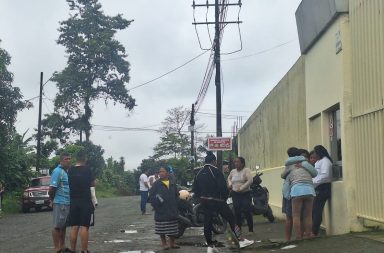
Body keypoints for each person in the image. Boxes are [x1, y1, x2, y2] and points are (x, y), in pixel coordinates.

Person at [192, 151, 254, 253]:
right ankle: (241, 240)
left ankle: (210, 244)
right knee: (231, 218)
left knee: (207, 221)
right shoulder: (215, 171)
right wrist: (224, 198)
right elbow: (223, 187)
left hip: (204, 201)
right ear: (213, 161)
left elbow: (195, 189)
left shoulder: (199, 173)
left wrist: (202, 198)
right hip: (217, 201)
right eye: (215, 161)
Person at [282, 149, 317, 240]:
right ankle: (308, 234)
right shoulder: (306, 163)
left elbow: (282, 175)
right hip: (309, 190)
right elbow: (315, 173)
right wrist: (304, 166)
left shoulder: (289, 165)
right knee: (308, 215)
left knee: (296, 215)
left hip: (296, 190)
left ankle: (298, 236)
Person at [68, 151, 95, 253]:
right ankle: (84, 250)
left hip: (73, 201)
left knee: (74, 226)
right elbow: (92, 184)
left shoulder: (70, 170)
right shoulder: (88, 170)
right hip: (85, 201)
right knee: (84, 226)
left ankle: (73, 250)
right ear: (85, 159)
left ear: (76, 159)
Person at [149, 166, 180, 250]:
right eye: (160, 172)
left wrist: (176, 204)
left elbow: (177, 195)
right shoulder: (156, 184)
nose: (160, 173)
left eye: (162, 171)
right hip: (161, 209)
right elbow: (151, 196)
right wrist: (156, 203)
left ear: (167, 173)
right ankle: (164, 244)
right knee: (162, 227)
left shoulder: (172, 183)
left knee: (173, 226)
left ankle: (172, 243)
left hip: (172, 208)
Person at [49, 152, 72, 253]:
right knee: (57, 226)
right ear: (61, 161)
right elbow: (52, 188)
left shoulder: (66, 172)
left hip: (67, 203)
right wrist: (52, 199)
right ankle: (56, 248)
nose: (68, 160)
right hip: (60, 202)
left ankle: (62, 246)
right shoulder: (57, 171)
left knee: (63, 226)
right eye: (66, 159)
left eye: (69, 159)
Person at [227, 157, 254, 233]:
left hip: (245, 193)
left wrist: (242, 187)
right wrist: (230, 184)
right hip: (235, 194)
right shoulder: (233, 171)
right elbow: (229, 178)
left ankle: (250, 230)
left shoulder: (246, 170)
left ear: (242, 163)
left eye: (238, 162)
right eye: (235, 162)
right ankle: (239, 230)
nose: (236, 163)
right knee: (237, 211)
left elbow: (250, 180)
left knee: (247, 210)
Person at [312, 145, 333, 236]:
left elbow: (325, 175)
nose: (314, 154)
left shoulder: (325, 161)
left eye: (315, 152)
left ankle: (314, 231)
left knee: (317, 210)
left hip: (323, 187)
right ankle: (313, 230)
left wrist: (314, 182)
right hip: (318, 187)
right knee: (314, 209)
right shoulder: (320, 161)